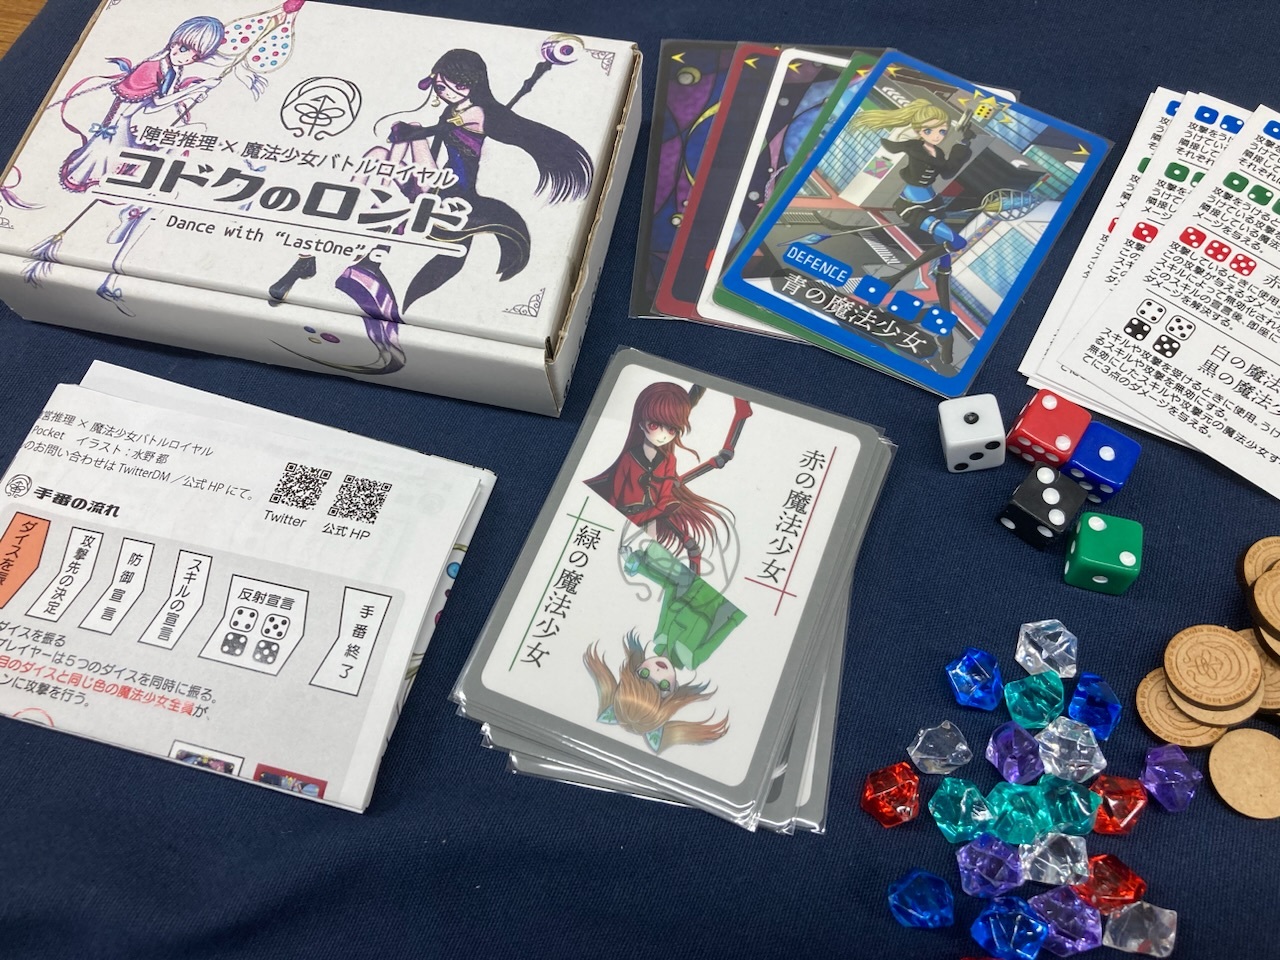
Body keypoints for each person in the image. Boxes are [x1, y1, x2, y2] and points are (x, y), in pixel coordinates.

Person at [378, 48, 594, 308]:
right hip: (434, 180)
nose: (448, 92)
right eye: (441, 86)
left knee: (411, 128)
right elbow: (435, 139)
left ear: (475, 84)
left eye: (458, 85)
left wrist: (409, 134)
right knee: (378, 153)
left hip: (451, 191)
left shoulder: (474, 114)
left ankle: (384, 196)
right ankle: (380, 196)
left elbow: (435, 131)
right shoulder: (453, 111)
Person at [852, 98, 978, 366]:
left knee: (945, 267)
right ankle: (893, 278)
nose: (937, 135)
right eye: (930, 130)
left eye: (942, 130)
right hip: (911, 205)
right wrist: (906, 129)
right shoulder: (912, 146)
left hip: (934, 204)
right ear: (919, 129)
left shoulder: (938, 152)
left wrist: (964, 142)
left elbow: (948, 172)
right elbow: (889, 146)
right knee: (955, 241)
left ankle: (946, 336)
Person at [584, 381, 749, 575]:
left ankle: (679, 580)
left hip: (653, 511)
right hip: (628, 512)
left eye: (671, 430)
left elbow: (664, 497)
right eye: (655, 425)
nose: (663, 435)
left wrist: (656, 508)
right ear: (641, 423)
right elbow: (615, 493)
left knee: (686, 547)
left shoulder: (668, 460)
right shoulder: (629, 458)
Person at [58, 16, 227, 192]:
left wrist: (194, 92)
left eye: (195, 57)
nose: (185, 58)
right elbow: (157, 103)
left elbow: (161, 100)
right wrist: (197, 88)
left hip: (127, 119)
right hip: (119, 120)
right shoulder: (151, 67)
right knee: (107, 155)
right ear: (174, 43)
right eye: (183, 48)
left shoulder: (173, 69)